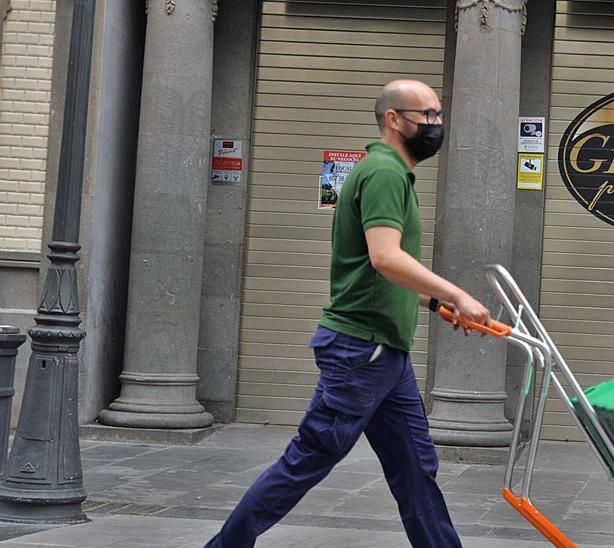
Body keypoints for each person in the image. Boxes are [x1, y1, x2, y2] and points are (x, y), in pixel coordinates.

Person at [206, 79, 491, 547]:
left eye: (439, 115)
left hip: (384, 355)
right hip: (364, 351)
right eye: (427, 115)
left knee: (415, 470)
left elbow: (374, 275)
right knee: (308, 459)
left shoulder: (388, 172)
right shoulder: (383, 173)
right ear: (393, 119)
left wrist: (436, 304)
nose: (436, 125)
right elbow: (385, 257)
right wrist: (458, 294)